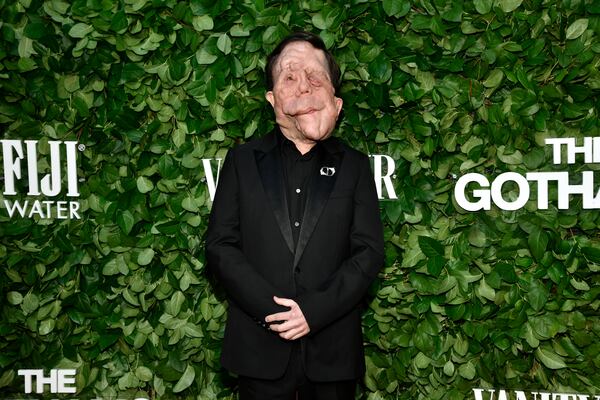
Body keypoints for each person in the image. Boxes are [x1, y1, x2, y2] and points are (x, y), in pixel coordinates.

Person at [205, 31, 384, 400]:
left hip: (332, 353)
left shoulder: (354, 166)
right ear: (272, 99)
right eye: (289, 77)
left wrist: (313, 312)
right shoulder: (241, 162)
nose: (303, 87)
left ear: (335, 98)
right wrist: (277, 314)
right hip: (259, 350)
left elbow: (368, 252)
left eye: (315, 77)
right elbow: (221, 247)